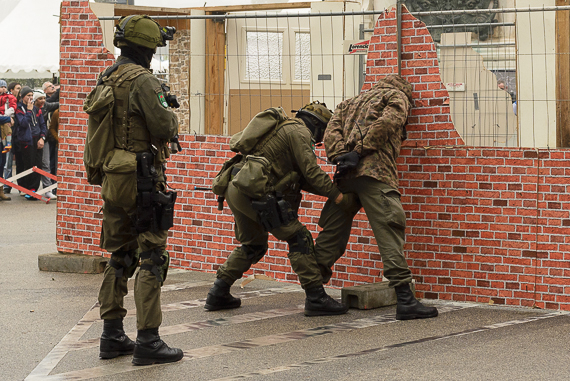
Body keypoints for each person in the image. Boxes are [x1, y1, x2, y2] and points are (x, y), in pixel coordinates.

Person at [91, 15, 183, 366]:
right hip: (141, 177)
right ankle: (149, 340)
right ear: (146, 48)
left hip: (113, 177)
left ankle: (111, 335)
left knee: (120, 254)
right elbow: (163, 124)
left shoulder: (107, 77)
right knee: (152, 255)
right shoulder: (144, 80)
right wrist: (170, 112)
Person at [204, 101, 353, 317]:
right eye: (322, 133)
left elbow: (303, 179)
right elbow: (312, 173)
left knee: (253, 244)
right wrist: (339, 197)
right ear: (317, 125)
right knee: (299, 238)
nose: (320, 140)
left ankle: (218, 292)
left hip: (236, 187)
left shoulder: (284, 129)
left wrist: (331, 190)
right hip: (255, 192)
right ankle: (316, 297)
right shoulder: (300, 132)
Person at [314, 74, 439, 321]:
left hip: (345, 175)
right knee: (389, 230)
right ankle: (405, 299)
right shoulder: (397, 96)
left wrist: (343, 156)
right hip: (375, 172)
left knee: (333, 233)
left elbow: (331, 132)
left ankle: (314, 293)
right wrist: (360, 152)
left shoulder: (348, 103)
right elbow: (388, 123)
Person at [13, 86, 47, 200]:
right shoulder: (19, 108)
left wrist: (42, 137)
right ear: (23, 97)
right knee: (29, 165)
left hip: (37, 138)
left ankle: (34, 189)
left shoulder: (37, 110)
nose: (30, 98)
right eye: (28, 96)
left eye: (32, 96)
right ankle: (28, 188)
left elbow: (42, 124)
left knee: (38, 165)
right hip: (26, 140)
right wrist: (28, 110)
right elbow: (23, 123)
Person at [4, 82, 21, 194]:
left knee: (20, 161)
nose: (19, 90)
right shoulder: (6, 102)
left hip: (19, 136)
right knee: (8, 161)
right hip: (8, 135)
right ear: (11, 90)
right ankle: (7, 185)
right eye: (17, 88)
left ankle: (21, 186)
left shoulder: (20, 103)